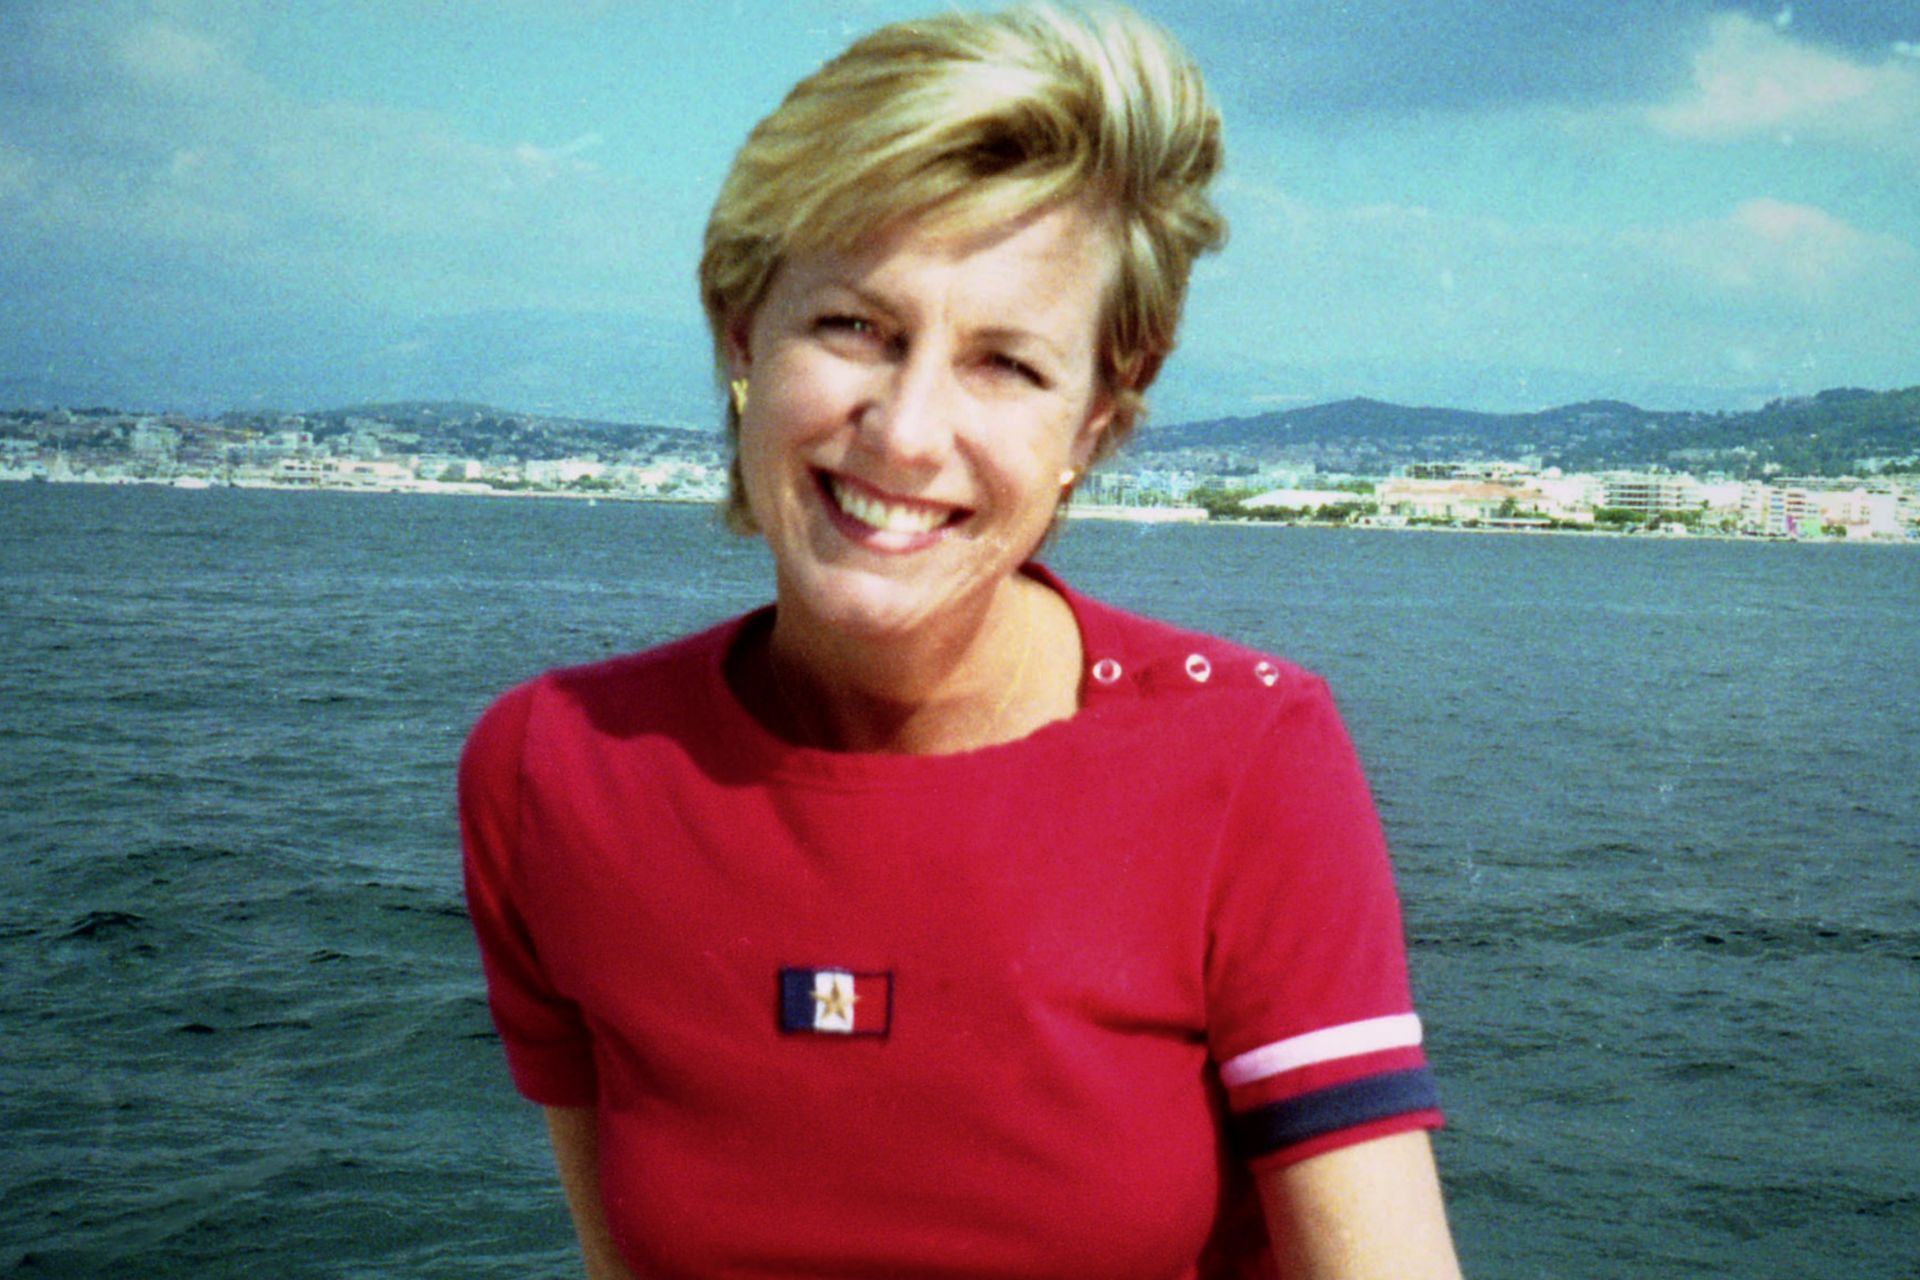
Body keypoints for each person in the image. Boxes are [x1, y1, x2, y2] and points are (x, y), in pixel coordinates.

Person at [459, 4, 1462, 1276]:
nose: (909, 429)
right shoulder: (553, 771)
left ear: (1096, 420)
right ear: (739, 331)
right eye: (854, 327)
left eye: (1005, 364)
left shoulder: (1249, 757)